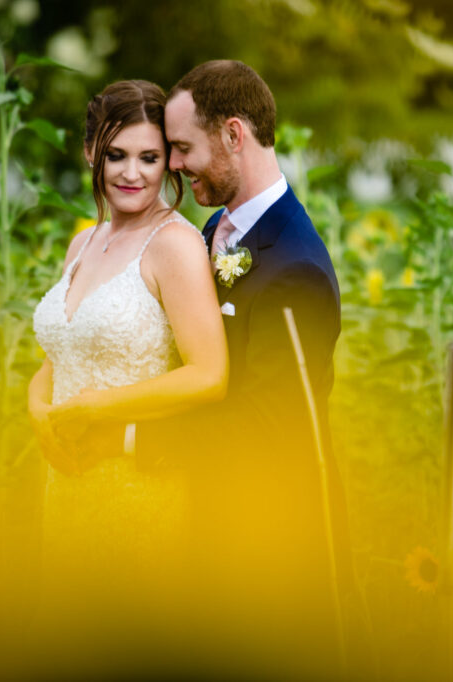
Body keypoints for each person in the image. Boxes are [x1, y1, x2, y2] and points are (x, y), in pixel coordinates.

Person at [134, 60, 352, 679]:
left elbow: (268, 427)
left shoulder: (296, 269)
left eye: (181, 148)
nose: (172, 165)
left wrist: (136, 435)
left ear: (233, 134)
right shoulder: (216, 230)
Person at [26, 79, 227, 675]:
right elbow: (55, 356)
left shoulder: (176, 247)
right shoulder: (83, 242)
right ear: (90, 150)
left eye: (149, 157)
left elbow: (210, 374)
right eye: (116, 155)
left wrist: (98, 410)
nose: (132, 174)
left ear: (168, 161)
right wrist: (37, 409)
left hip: (138, 488)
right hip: (64, 488)